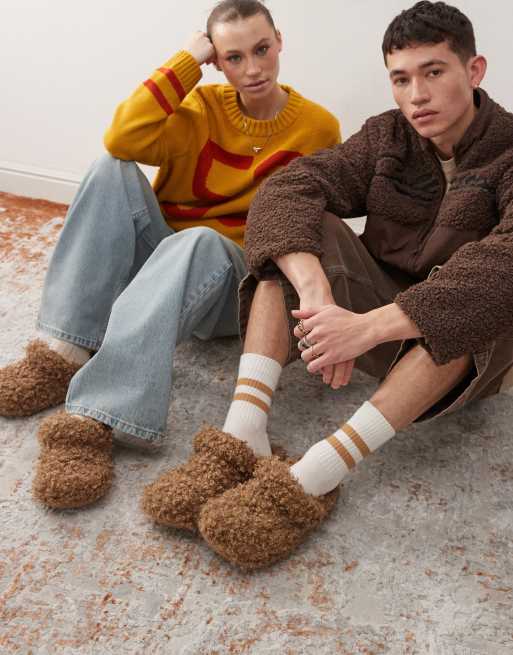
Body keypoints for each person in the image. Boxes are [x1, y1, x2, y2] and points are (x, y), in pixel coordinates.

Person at [142, 0, 513, 570]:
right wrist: (319, 302)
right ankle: (244, 429)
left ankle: (318, 471)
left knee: (479, 297)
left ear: (475, 70)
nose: (417, 95)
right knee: (297, 230)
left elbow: (503, 265)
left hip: (460, 360)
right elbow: (287, 190)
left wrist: (365, 329)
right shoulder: (386, 135)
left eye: (434, 72)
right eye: (401, 79)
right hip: (366, 320)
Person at [0, 0, 340, 509]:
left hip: (234, 283)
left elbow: (312, 219)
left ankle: (97, 415)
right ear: (216, 60)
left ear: (279, 42)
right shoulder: (200, 110)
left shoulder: (318, 129)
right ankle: (64, 352)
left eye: (262, 49)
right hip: (166, 261)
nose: (252, 68)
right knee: (109, 167)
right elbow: (121, 138)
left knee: (199, 239)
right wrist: (186, 60)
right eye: (233, 57)